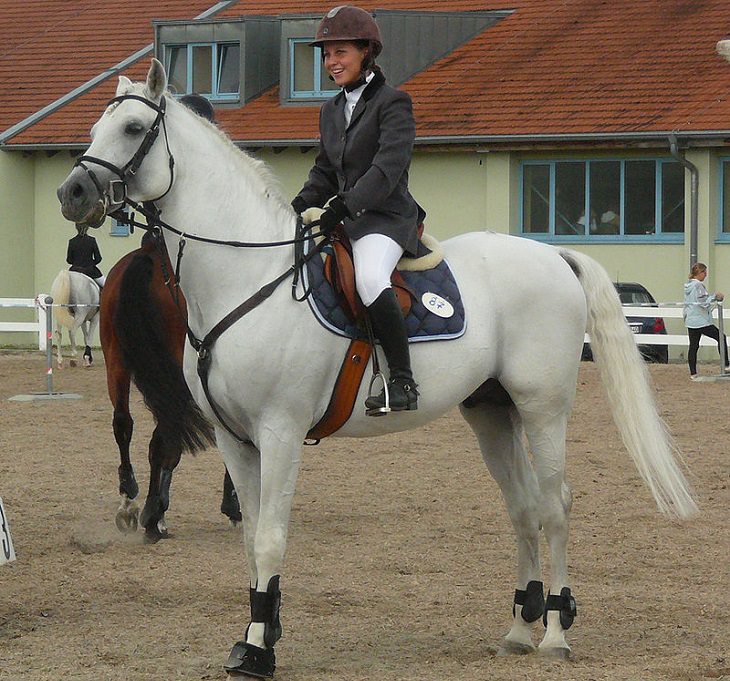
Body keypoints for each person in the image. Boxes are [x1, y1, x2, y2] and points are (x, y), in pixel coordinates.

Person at [291, 5, 424, 415]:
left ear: (366, 51)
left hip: (386, 218)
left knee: (368, 277)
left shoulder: (394, 103)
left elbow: (387, 170)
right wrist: (296, 206)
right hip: (347, 219)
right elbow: (325, 171)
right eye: (327, 54)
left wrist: (343, 206)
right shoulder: (330, 110)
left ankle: (403, 380)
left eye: (341, 52)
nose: (332, 62)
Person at [683, 262, 728, 379]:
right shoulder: (698, 286)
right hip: (701, 321)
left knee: (693, 346)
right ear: (699, 273)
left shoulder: (688, 286)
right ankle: (726, 365)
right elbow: (703, 303)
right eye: (705, 273)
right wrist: (714, 297)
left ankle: (693, 373)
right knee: (721, 337)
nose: (706, 275)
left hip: (691, 321)